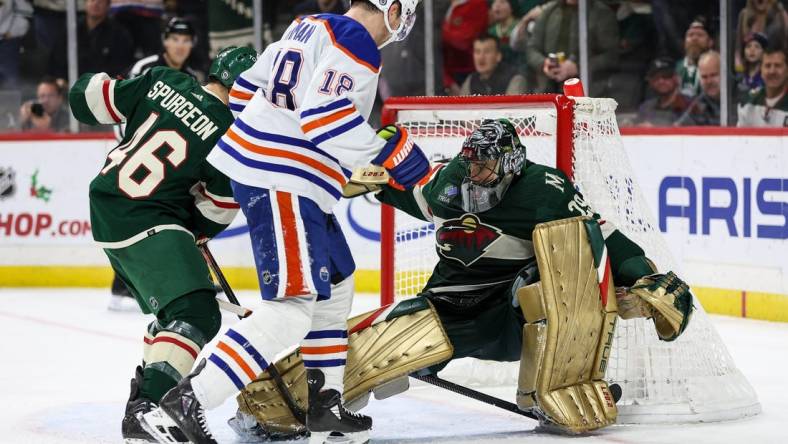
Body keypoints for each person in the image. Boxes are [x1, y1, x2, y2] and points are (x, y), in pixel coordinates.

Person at [228, 118, 695, 438]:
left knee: (557, 272)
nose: (475, 173)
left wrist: (643, 274)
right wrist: (367, 181)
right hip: (450, 308)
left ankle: (555, 385)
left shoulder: (544, 189)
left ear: (511, 163)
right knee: (391, 338)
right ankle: (285, 402)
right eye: (471, 162)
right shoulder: (454, 179)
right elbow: (418, 198)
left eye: (485, 165)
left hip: (511, 313)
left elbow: (604, 237)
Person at [140, 2, 429, 444]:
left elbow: (242, 91)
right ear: (392, 9)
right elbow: (325, 115)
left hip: (284, 177)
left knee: (336, 283)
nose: (402, 26)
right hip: (284, 181)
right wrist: (385, 153)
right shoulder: (357, 41)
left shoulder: (306, 25)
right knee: (293, 308)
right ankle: (187, 400)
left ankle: (324, 403)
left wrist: (286, 144)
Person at [67, 46, 257, 443]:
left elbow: (87, 99)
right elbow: (218, 209)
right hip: (148, 217)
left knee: (176, 314)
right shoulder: (230, 136)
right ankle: (149, 409)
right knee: (198, 312)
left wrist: (88, 86)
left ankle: (151, 399)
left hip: (108, 205)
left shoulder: (163, 80)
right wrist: (195, 231)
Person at [525, 0, 619, 96]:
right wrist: (543, 63)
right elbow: (532, 48)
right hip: (548, 90)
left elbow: (612, 56)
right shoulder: (549, 11)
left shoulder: (601, 14)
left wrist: (578, 67)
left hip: (588, 92)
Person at [50, 0, 134, 79]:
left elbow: (121, 67)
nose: (95, 4)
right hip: (71, 84)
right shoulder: (71, 30)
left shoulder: (119, 34)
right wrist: (60, 79)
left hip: (103, 87)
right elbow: (58, 59)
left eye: (100, 1)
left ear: (108, 6)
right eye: (92, 0)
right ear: (85, 4)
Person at [127, 17, 202, 80]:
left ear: (192, 44)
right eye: (175, 39)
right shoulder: (144, 68)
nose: (180, 46)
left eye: (186, 40)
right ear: (165, 41)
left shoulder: (191, 78)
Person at [442, 0, 489, 95]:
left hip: (468, 72)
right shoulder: (440, 4)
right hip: (443, 74)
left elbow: (464, 40)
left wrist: (439, 30)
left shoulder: (477, 3)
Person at [460, 34, 526, 95]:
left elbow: (514, 107)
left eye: (487, 52)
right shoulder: (471, 80)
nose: (481, 57)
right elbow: (461, 106)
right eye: (477, 52)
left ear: (498, 56)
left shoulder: (514, 79)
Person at [635, 56, 692, 126]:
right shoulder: (645, 108)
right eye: (655, 77)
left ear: (677, 78)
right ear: (650, 82)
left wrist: (655, 129)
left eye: (666, 75)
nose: (661, 81)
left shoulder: (690, 105)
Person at [738, 47, 788, 126]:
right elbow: (740, 137)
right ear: (761, 70)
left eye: (778, 66)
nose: (772, 71)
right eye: (767, 66)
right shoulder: (748, 101)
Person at [676, 50, 721, 126]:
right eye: (704, 77)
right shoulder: (700, 104)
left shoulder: (742, 97)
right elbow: (679, 130)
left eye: (713, 75)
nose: (709, 81)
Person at [675, 16, 714, 98]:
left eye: (700, 35)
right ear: (684, 42)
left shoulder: (718, 69)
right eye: (690, 35)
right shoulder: (674, 69)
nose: (694, 39)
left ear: (710, 42)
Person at [0, 0, 33, 90]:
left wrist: (13, 31)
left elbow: (26, 12)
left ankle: (11, 103)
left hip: (6, 42)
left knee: (10, 80)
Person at [737, 32, 768, 97]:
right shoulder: (740, 76)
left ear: (763, 52)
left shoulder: (767, 76)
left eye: (757, 47)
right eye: (748, 46)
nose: (752, 50)